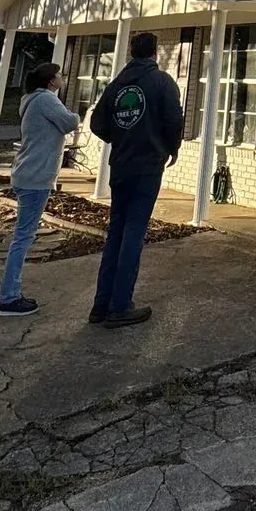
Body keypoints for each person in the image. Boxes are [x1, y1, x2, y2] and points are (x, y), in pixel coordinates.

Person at [86, 30, 183, 326]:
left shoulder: (116, 86)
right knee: (133, 234)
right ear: (155, 52)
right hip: (147, 167)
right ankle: (120, 306)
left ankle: (100, 305)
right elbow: (174, 120)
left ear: (132, 52)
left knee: (116, 232)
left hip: (121, 166)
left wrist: (121, 137)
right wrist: (170, 148)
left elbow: (97, 122)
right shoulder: (162, 82)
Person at [0, 61, 79, 317]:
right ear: (51, 80)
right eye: (60, 75)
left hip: (26, 173)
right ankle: (9, 298)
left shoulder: (32, 99)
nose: (63, 78)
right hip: (36, 176)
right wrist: (78, 115)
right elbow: (68, 123)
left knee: (23, 235)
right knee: (23, 237)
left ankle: (10, 295)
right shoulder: (46, 100)